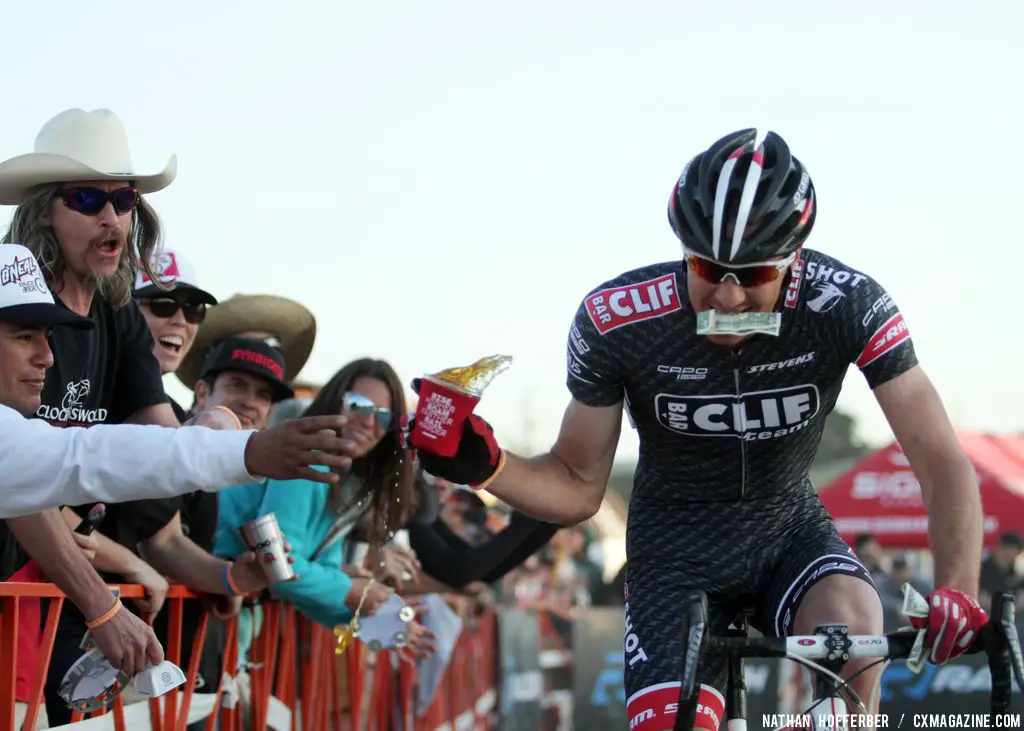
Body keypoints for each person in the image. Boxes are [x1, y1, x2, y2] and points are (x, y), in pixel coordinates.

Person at [410, 129, 984, 730]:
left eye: (755, 274)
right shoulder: (619, 319)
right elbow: (579, 485)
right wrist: (490, 466)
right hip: (672, 552)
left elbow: (939, 458)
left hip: (787, 531)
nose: (729, 295)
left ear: (793, 262)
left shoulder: (846, 304)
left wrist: (956, 588)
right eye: (708, 267)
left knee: (855, 639)